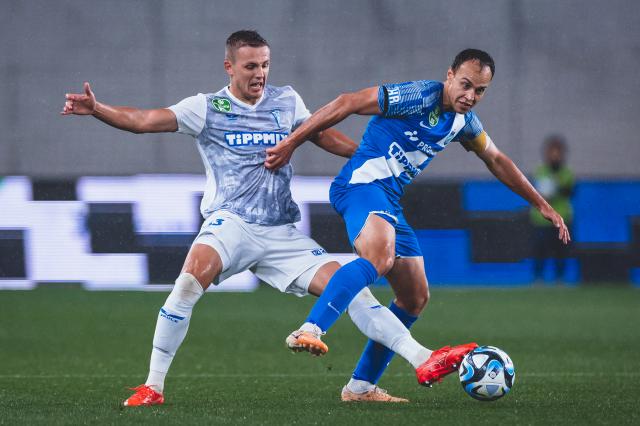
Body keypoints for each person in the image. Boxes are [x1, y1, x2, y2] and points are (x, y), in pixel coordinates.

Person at [62, 30, 437, 405]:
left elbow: (322, 136)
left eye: (265, 65)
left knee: (351, 290)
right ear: (229, 67)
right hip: (231, 223)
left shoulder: (286, 100)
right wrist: (98, 109)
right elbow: (144, 120)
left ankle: (420, 360)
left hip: (281, 232)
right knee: (187, 285)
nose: (260, 73)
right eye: (251, 66)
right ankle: (153, 387)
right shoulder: (206, 107)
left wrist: (368, 160)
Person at [265, 49, 571, 389]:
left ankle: (361, 387)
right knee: (379, 258)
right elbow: (348, 101)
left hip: (389, 201)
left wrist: (541, 204)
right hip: (361, 186)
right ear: (450, 75)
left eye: (480, 90)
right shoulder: (417, 96)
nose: (470, 96)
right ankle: (310, 329)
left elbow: (496, 159)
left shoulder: (465, 122)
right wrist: (292, 143)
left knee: (415, 297)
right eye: (466, 84)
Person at [530, 135, 574, 282]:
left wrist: (554, 188)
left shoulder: (567, 173)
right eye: (552, 152)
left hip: (562, 219)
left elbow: (569, 192)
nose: (554, 156)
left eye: (557, 152)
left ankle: (560, 278)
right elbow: (537, 191)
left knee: (561, 251)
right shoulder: (540, 171)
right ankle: (538, 278)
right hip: (541, 219)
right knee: (539, 250)